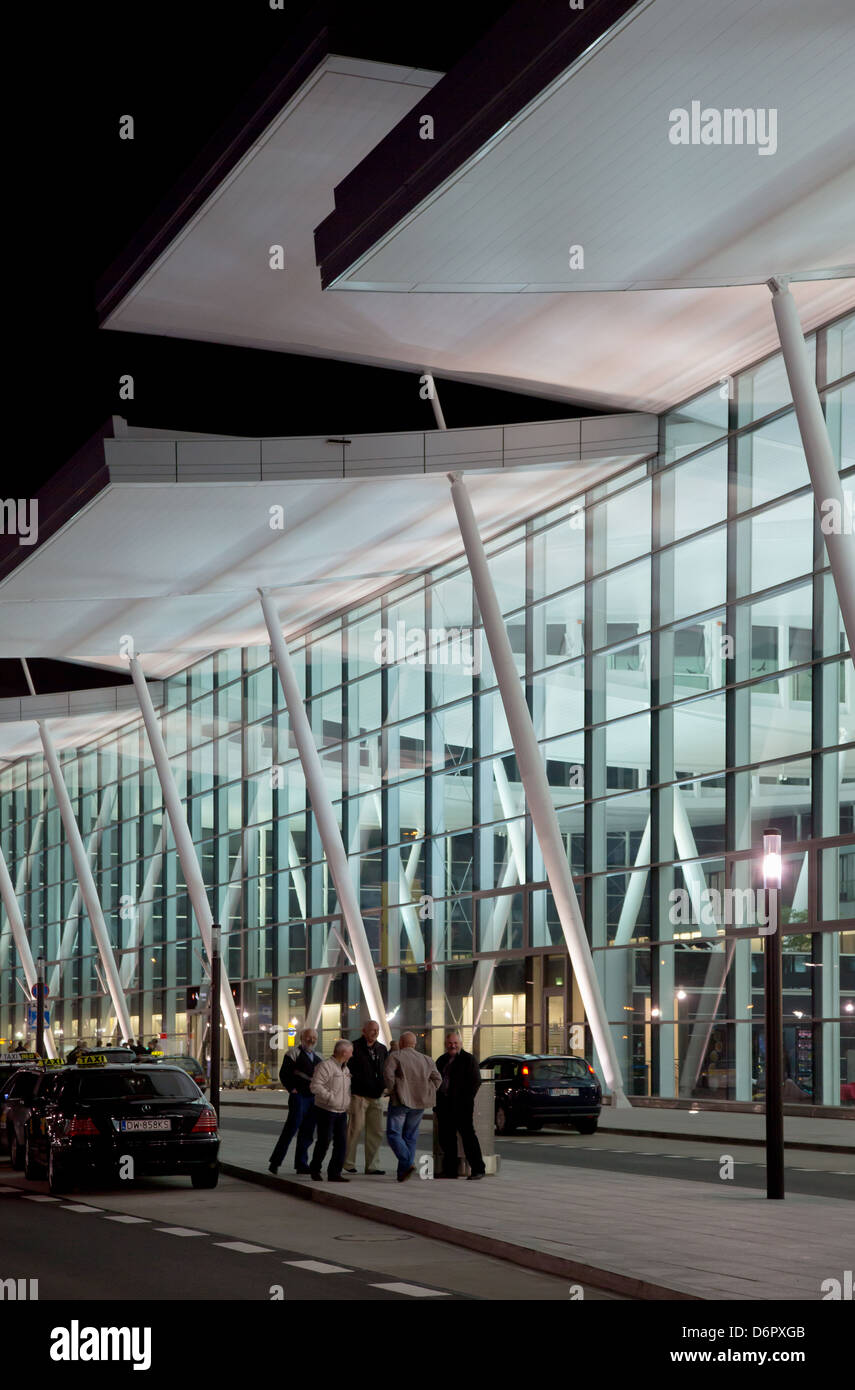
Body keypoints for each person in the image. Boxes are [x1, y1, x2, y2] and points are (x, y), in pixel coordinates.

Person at [383, 1032, 441, 1182]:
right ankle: (403, 1172)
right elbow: (437, 1079)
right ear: (415, 1044)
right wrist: (427, 1090)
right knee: (410, 1136)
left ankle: (408, 1163)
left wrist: (393, 1089)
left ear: (401, 1042)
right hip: (420, 1102)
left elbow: (388, 1075)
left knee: (393, 1134)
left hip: (401, 1101)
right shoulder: (427, 1059)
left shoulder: (395, 1056)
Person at [268, 1028, 322, 1175]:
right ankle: (275, 1162)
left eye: (313, 1037)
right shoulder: (293, 1054)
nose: (311, 1040)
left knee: (308, 1132)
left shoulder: (318, 1057)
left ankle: (301, 1164)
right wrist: (292, 1089)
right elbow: (284, 1074)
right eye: (308, 1037)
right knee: (290, 1129)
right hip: (299, 1098)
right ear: (301, 1038)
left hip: (313, 1099)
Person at [434, 1029, 486, 1180]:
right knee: (447, 1139)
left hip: (462, 1106)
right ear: (445, 1044)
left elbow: (476, 1082)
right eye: (450, 1043)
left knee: (468, 1137)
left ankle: (478, 1169)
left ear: (461, 1044)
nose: (453, 1045)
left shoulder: (468, 1060)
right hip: (444, 1105)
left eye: (455, 1043)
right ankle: (450, 1171)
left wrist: (465, 1099)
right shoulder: (441, 1060)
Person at [343, 1020, 388, 1175]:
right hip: (359, 1095)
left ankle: (372, 1166)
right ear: (364, 1031)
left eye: (377, 1030)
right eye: (372, 1030)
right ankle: (348, 1163)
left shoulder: (382, 1049)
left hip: (376, 1096)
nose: (375, 1032)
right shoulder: (354, 1047)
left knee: (376, 1132)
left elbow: (385, 1069)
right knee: (354, 1130)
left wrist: (384, 1087)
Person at [309, 1040, 353, 1182]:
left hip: (341, 1112)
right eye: (351, 1052)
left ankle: (334, 1173)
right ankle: (315, 1169)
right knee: (324, 1141)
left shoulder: (345, 1069)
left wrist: (346, 1102)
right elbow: (315, 1086)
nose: (352, 1055)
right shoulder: (325, 1066)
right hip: (326, 1110)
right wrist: (331, 1098)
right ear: (344, 1052)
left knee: (341, 1143)